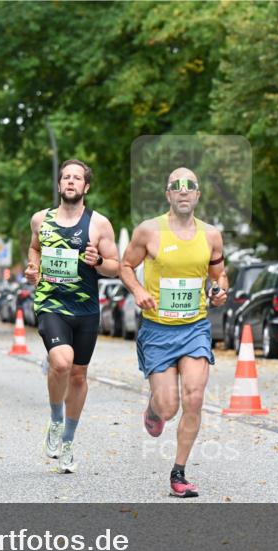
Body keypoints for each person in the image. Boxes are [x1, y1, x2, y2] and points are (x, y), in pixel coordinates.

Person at [120, 168, 229, 498]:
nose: (183, 192)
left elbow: (219, 275)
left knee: (194, 397)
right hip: (157, 329)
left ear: (197, 195)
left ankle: (179, 472)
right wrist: (138, 290)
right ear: (168, 194)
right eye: (176, 187)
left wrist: (218, 291)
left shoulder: (211, 235)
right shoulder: (149, 231)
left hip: (195, 327)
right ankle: (155, 409)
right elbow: (125, 266)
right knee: (169, 408)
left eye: (190, 187)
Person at [25, 159, 120, 473]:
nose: (70, 181)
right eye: (65, 177)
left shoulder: (99, 224)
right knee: (61, 362)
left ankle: (67, 442)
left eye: (76, 178)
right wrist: (32, 268)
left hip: (86, 310)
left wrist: (98, 261)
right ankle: (55, 419)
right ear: (59, 185)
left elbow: (116, 267)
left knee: (78, 375)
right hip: (51, 304)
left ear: (86, 187)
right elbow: (35, 249)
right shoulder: (41, 219)